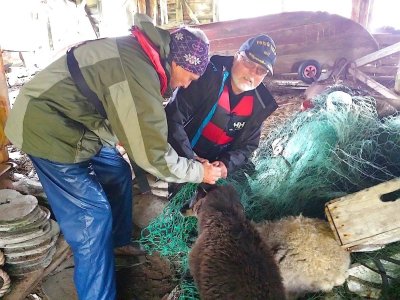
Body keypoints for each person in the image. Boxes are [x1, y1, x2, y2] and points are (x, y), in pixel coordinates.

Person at [5, 14, 221, 300]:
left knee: (117, 171)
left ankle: (118, 245)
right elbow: (153, 157)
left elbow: (136, 126)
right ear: (178, 63)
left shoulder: (145, 54)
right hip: (46, 125)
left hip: (80, 120)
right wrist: (200, 173)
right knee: (92, 218)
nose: (189, 85)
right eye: (190, 77)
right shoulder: (138, 75)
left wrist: (190, 162)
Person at [166, 34, 278, 181]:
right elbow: (172, 118)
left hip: (218, 167)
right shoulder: (207, 76)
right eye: (249, 63)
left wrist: (226, 165)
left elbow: (249, 145)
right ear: (236, 57)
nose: (252, 73)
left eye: (260, 70)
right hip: (185, 156)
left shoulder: (260, 104)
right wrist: (191, 158)